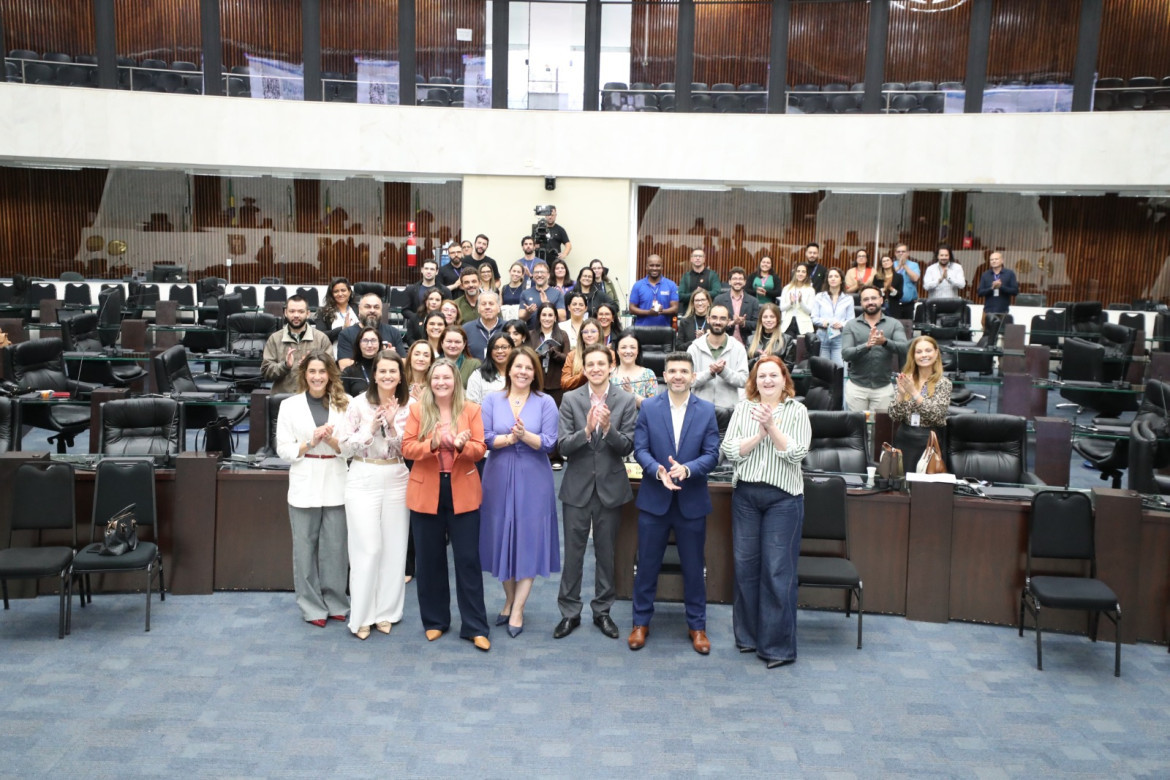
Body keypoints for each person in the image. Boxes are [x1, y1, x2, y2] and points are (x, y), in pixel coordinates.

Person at [720, 356, 811, 669]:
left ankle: (777, 647)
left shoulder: (797, 410)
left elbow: (797, 454)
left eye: (774, 375)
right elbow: (729, 449)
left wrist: (771, 427)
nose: (768, 381)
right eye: (762, 376)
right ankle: (747, 637)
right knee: (745, 568)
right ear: (754, 381)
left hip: (783, 499)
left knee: (776, 571)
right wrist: (759, 435)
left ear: (784, 379)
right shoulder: (744, 407)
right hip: (745, 495)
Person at [629, 352, 721, 654]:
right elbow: (639, 448)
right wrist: (658, 470)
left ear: (693, 376)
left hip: (691, 501)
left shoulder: (707, 410)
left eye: (684, 371)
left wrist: (688, 469)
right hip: (655, 500)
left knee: (694, 569)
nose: (678, 375)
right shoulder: (650, 408)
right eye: (672, 371)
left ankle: (697, 627)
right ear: (664, 376)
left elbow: (712, 453)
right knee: (647, 566)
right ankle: (640, 623)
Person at [401, 359, 491, 651]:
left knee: (467, 560)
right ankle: (435, 621)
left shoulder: (472, 409)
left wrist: (463, 445)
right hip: (427, 490)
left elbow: (480, 451)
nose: (441, 382)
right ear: (429, 381)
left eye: (447, 377)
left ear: (456, 381)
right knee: (429, 560)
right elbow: (407, 449)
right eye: (436, 377)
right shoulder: (417, 410)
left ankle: (475, 626)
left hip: (462, 490)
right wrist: (433, 442)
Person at [555, 343, 637, 640]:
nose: (596, 369)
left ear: (611, 365)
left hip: (611, 488)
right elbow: (562, 447)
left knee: (606, 554)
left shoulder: (626, 400)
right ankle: (569, 613)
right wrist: (587, 431)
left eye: (601, 364)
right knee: (573, 556)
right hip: (576, 487)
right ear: (584, 368)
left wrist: (608, 429)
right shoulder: (570, 399)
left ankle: (602, 611)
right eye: (590, 364)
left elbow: (627, 446)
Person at [480, 346, 560, 637]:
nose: (523, 372)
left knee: (527, 539)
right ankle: (510, 597)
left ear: (535, 372)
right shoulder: (492, 399)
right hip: (498, 474)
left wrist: (524, 436)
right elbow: (485, 438)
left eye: (529, 367)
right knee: (502, 536)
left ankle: (518, 609)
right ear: (509, 370)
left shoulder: (546, 402)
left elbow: (551, 443)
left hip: (533, 477)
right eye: (518, 367)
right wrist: (508, 438)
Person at [337, 351, 413, 640]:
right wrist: (369, 429)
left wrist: (392, 424)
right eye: (382, 371)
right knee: (367, 549)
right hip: (362, 475)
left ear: (400, 375)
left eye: (393, 371)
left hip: (396, 476)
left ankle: (387, 613)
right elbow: (343, 447)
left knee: (394, 549)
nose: (387, 376)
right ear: (374, 373)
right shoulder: (357, 404)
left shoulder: (410, 406)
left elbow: (409, 449)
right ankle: (362, 616)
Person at [275, 352, 350, 628]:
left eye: (322, 371)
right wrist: (310, 441)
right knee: (305, 549)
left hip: (336, 478)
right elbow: (283, 449)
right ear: (304, 375)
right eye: (312, 372)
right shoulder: (289, 406)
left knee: (336, 548)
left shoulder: (346, 404)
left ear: (330, 373)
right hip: (305, 478)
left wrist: (330, 440)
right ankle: (311, 605)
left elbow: (351, 448)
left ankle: (336, 602)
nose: (317, 377)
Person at [841, 285, 909, 413]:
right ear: (860, 303)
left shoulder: (894, 324)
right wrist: (866, 346)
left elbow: (904, 348)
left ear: (881, 300)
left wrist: (885, 342)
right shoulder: (851, 325)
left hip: (883, 389)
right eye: (866, 299)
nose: (870, 302)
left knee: (879, 431)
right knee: (857, 430)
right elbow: (846, 354)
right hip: (857, 388)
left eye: (873, 298)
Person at [889, 335, 952, 470]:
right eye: (919, 352)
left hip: (928, 440)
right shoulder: (907, 378)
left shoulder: (943, 383)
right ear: (913, 356)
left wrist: (913, 392)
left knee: (924, 488)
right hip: (904, 437)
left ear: (936, 353)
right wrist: (900, 394)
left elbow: (936, 415)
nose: (924, 355)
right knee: (901, 486)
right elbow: (894, 416)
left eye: (928, 350)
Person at [262, 295, 334, 393]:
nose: (296, 315)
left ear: (308, 314)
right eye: (292, 311)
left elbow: (331, 370)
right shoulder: (275, 339)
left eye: (301, 311)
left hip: (314, 398)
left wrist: (311, 365)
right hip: (283, 397)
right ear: (285, 313)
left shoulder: (321, 338)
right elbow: (266, 372)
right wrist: (285, 366)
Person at [687, 304, 749, 411]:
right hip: (699, 410)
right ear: (708, 319)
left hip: (729, 411)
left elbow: (744, 381)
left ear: (729, 321)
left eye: (723, 318)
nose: (718, 322)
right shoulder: (694, 348)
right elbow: (688, 380)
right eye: (714, 317)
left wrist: (723, 372)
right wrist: (710, 373)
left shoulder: (738, 348)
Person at [336, 292, 407, 369]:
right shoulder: (346, 334)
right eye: (367, 307)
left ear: (381, 310)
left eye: (376, 307)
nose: (372, 310)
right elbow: (344, 366)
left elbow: (404, 363)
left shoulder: (393, 332)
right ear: (359, 309)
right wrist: (385, 356)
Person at [811, 268, 852, 367]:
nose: (833, 279)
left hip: (840, 337)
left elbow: (851, 320)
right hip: (822, 336)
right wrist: (824, 322)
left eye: (836, 276)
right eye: (830, 276)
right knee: (823, 370)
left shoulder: (848, 298)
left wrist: (841, 324)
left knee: (840, 369)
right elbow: (813, 318)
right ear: (827, 280)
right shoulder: (819, 297)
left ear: (841, 280)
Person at [528, 301, 569, 398]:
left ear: (555, 318)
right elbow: (527, 358)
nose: (547, 318)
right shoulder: (530, 335)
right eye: (544, 315)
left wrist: (555, 353)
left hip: (557, 385)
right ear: (539, 317)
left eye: (550, 315)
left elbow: (567, 358)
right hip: (535, 383)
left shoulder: (563, 335)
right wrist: (540, 353)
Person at [628, 254, 679, 327]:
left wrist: (661, 311)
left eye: (658, 265)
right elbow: (631, 309)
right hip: (641, 331)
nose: (654, 268)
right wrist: (649, 312)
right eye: (651, 265)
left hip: (664, 331)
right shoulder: (638, 285)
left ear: (662, 267)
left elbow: (675, 309)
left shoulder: (671, 285)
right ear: (646, 267)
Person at [611, 331, 657, 409]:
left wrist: (632, 393)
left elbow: (652, 408)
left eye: (632, 347)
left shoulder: (649, 374)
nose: (628, 351)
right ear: (617, 351)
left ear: (638, 351)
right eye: (623, 347)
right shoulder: (609, 374)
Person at [715, 266, 760, 344]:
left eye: (740, 279)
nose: (737, 281)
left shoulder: (753, 301)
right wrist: (731, 323)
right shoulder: (719, 300)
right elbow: (714, 323)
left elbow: (757, 324)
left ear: (745, 282)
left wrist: (743, 323)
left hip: (745, 344)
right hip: (723, 343)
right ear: (729, 281)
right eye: (735, 279)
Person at [467, 333, 513, 403]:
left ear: (512, 349)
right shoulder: (478, 375)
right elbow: (471, 404)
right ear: (489, 351)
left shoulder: (519, 373)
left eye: (504, 347)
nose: (500, 351)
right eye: (495, 348)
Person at [561, 318, 605, 392]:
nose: (589, 335)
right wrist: (582, 376)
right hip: (578, 398)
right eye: (585, 332)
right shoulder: (572, 355)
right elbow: (564, 383)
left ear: (599, 333)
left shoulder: (609, 354)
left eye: (593, 331)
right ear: (581, 335)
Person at [976, 251, 1018, 324]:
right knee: (987, 333)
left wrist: (1001, 287)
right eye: (991, 260)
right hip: (988, 311)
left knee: (1002, 333)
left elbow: (1015, 291)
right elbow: (980, 292)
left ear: (1002, 260)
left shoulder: (1009, 274)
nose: (994, 261)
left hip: (1003, 311)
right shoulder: (985, 275)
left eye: (996, 259)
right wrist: (991, 288)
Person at [462, 289, 503, 361]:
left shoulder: (508, 327)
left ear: (499, 308)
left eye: (491, 304)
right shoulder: (466, 329)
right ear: (478, 309)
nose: (487, 307)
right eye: (483, 304)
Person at [340, 326, 382, 396]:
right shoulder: (349, 372)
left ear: (379, 343)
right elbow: (342, 400)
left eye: (373, 340)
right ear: (358, 344)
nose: (369, 345)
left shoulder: (387, 369)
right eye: (365, 341)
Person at [316, 277, 359, 342]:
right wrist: (342, 329)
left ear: (349, 292)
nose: (340, 294)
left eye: (343, 290)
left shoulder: (358, 308)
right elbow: (319, 335)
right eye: (336, 291)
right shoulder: (323, 312)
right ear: (331, 294)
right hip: (334, 350)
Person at [778, 263, 816, 336]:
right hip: (788, 324)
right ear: (795, 273)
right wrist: (790, 303)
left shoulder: (810, 290)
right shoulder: (787, 288)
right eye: (798, 271)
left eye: (803, 272)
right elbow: (782, 308)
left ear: (807, 274)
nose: (800, 274)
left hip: (804, 325)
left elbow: (809, 311)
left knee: (802, 347)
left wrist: (801, 302)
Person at [675, 287, 713, 352]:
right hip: (689, 359)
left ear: (708, 302)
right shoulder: (684, 322)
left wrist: (705, 339)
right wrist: (695, 341)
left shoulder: (714, 322)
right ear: (693, 303)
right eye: (697, 300)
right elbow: (678, 347)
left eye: (703, 300)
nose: (700, 303)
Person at [894, 243, 921, 319]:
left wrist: (905, 266)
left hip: (909, 304)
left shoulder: (914, 265)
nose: (901, 253)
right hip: (894, 303)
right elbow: (888, 279)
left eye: (903, 251)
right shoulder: (891, 265)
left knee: (908, 327)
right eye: (898, 252)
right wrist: (898, 267)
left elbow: (915, 278)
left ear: (908, 253)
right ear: (895, 253)